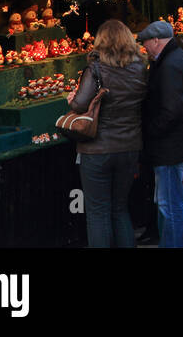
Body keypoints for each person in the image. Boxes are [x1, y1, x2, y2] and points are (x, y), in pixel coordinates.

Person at [68, 19, 148, 248]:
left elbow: (80, 105)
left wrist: (72, 101)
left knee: (98, 212)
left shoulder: (95, 69)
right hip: (130, 147)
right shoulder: (140, 69)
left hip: (97, 148)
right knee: (119, 208)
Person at [137, 20, 183, 248]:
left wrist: (151, 131)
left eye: (146, 44)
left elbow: (171, 109)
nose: (145, 49)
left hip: (170, 147)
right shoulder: (178, 59)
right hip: (178, 144)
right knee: (171, 203)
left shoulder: (169, 65)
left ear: (156, 40)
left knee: (170, 205)